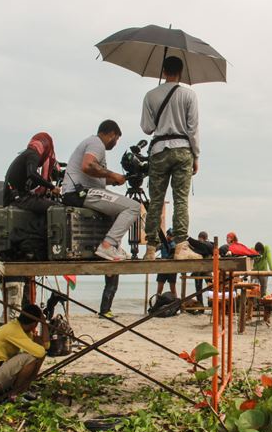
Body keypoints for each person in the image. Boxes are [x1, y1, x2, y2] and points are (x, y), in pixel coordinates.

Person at [141, 56, 202, 261]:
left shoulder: (150, 96)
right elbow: (193, 129)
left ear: (163, 71)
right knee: (180, 199)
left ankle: (150, 248)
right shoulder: (189, 95)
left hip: (158, 150)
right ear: (181, 72)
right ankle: (181, 247)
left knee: (155, 200)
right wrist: (196, 155)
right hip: (183, 148)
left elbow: (147, 128)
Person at [61, 120, 140, 261]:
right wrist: (112, 174)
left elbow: (94, 174)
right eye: (116, 140)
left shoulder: (92, 143)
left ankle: (113, 246)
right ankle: (107, 245)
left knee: (119, 206)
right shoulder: (97, 143)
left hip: (82, 191)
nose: (115, 144)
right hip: (79, 193)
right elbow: (88, 165)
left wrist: (114, 180)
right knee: (133, 207)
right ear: (111, 134)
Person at [0, 303, 49, 398]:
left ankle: (23, 389)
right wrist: (43, 322)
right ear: (34, 324)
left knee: (34, 356)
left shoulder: (21, 329)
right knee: (30, 358)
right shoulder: (13, 330)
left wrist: (42, 322)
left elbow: (46, 346)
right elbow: (40, 352)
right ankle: (16, 394)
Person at [3, 132, 61, 214]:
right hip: (18, 199)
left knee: (45, 203)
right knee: (58, 208)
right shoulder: (33, 155)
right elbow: (32, 174)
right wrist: (52, 187)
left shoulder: (26, 154)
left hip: (14, 197)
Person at [156, 229, 178, 297]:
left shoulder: (175, 244)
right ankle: (157, 301)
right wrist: (158, 243)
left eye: (171, 236)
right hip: (163, 266)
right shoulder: (162, 244)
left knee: (172, 288)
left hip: (172, 267)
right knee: (159, 288)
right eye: (168, 235)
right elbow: (155, 249)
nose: (169, 237)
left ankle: (175, 303)